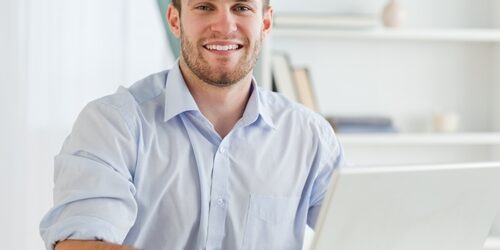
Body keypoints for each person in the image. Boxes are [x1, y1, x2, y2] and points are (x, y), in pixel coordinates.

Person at [39, 0, 345, 249]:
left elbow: (362, 233)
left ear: (265, 23)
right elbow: (80, 245)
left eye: (241, 7)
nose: (225, 26)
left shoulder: (310, 136)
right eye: (204, 7)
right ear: (175, 20)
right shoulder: (113, 124)